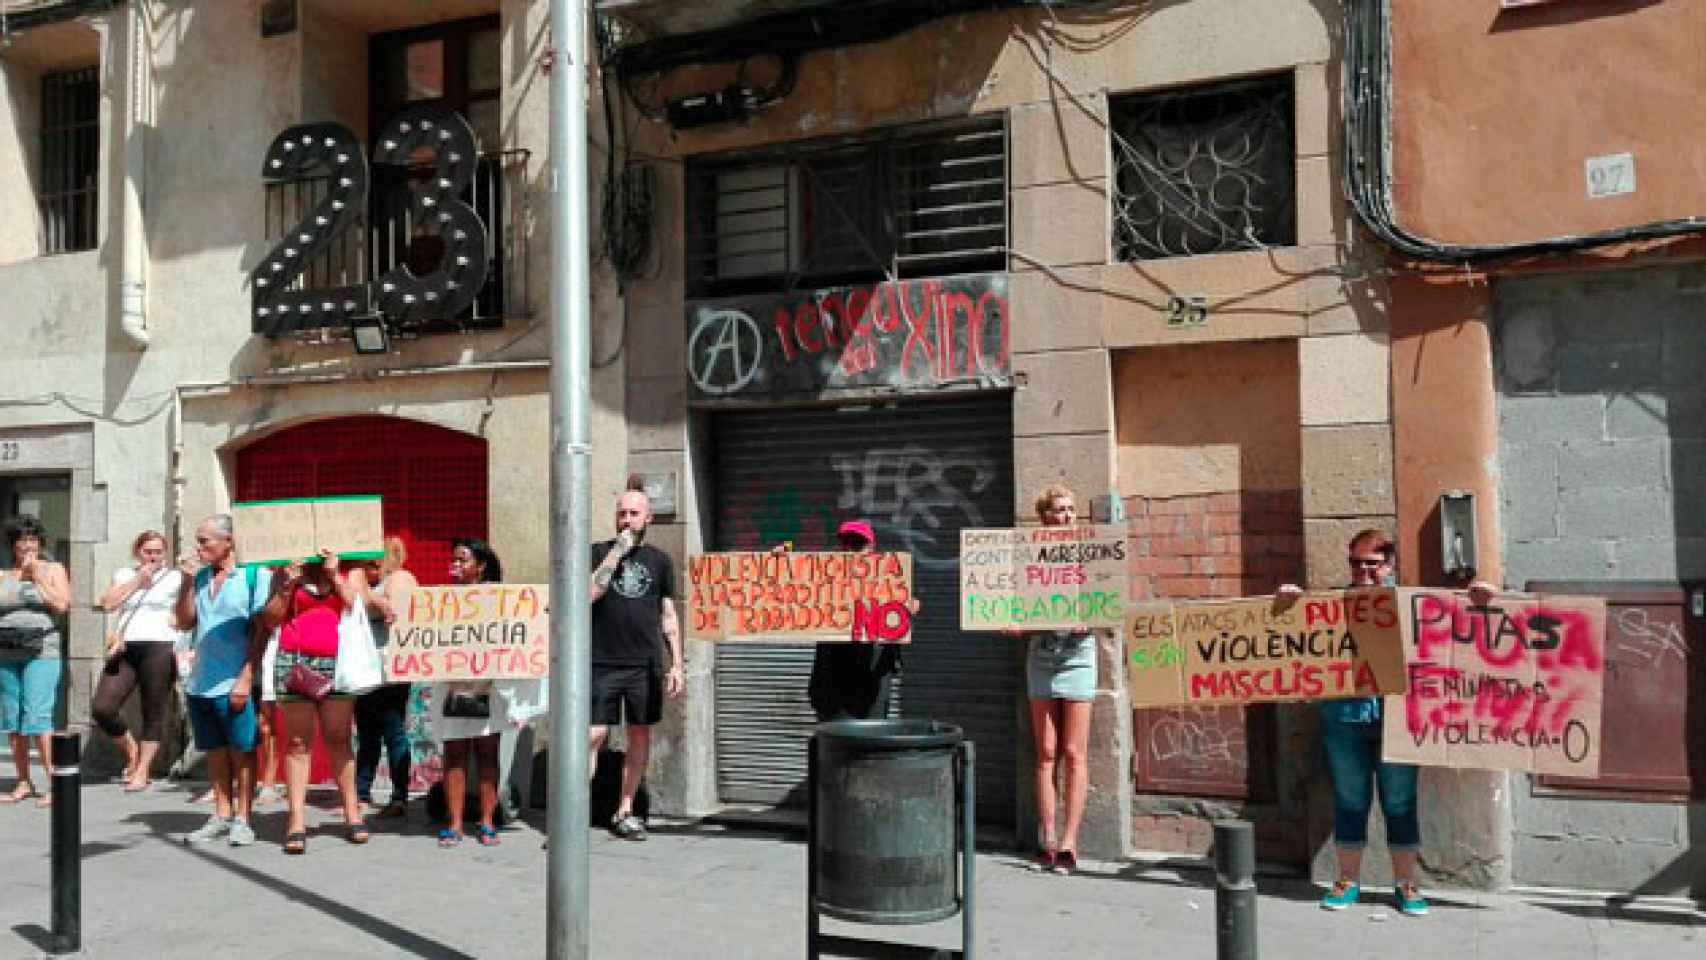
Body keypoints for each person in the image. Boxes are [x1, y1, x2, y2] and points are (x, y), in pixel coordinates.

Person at [1277, 528, 1494, 917]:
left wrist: (1478, 598)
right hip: (1344, 719)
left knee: (1399, 801)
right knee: (1350, 800)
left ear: (1389, 564)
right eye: (1356, 563)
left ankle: (1407, 885)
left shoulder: (1411, 604)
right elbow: (1294, 633)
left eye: (1372, 564)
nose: (1363, 571)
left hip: (1399, 721)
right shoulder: (1333, 606)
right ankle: (1347, 882)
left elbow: (1454, 626)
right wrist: (1287, 604)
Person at [429, 538, 545, 847]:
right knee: (454, 753)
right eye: (453, 560)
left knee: (487, 753)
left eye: (462, 560)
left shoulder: (501, 599)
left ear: (480, 566)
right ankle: (453, 824)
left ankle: (487, 821)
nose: (454, 566)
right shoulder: (439, 602)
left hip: (488, 688)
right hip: (453, 685)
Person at [589, 490, 683, 841]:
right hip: (603, 661)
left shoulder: (660, 561)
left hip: (644, 664)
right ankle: (573, 812)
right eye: (621, 513)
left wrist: (676, 664)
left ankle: (625, 809)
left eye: (633, 513)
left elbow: (668, 614)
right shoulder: (598, 553)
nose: (626, 519)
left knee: (639, 734)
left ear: (648, 519)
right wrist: (616, 553)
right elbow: (589, 594)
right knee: (593, 735)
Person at [173, 514, 271, 844]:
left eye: (205, 541)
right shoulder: (199, 578)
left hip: (235, 677)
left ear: (228, 542)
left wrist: (245, 676)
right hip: (202, 678)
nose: (198, 547)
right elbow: (185, 622)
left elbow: (261, 631)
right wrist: (186, 582)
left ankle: (244, 817)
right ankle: (221, 812)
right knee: (214, 750)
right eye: (198, 541)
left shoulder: (253, 576)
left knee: (242, 750)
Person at [260, 547, 365, 854]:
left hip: (340, 663)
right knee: (296, 742)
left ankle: (352, 812)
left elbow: (356, 607)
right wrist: (287, 586)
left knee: (339, 737)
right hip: (295, 663)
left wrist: (334, 575)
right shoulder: (283, 571)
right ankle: (296, 819)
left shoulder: (351, 569)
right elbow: (271, 619)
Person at [1016, 485, 1096, 876]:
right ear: (1044, 516)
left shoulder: (1091, 551)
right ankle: (1046, 840)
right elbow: (1010, 599)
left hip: (1079, 654)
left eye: (1070, 510)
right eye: (1057, 510)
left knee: (1074, 752)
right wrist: (1012, 622)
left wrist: (1092, 614)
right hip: (1042, 653)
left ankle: (1070, 842)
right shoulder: (1029, 554)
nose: (1064, 516)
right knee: (1045, 752)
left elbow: (1108, 595)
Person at [92, 530, 185, 792]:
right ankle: (132, 751)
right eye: (148, 552)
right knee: (103, 708)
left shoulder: (175, 578)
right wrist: (137, 581)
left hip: (160, 646)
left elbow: (187, 613)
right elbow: (107, 604)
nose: (153, 557)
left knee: (153, 711)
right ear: (137, 552)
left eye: (158, 552)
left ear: (165, 553)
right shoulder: (124, 574)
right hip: (125, 648)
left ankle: (143, 770)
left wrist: (183, 643)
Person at [0, 515, 70, 807]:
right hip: (6, 650)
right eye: (22, 540)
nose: (28, 545)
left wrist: (37, 575)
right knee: (13, 720)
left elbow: (62, 605)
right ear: (13, 545)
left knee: (38, 716)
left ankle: (55, 783)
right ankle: (23, 781)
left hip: (42, 651)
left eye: (33, 539)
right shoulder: (3, 574)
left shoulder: (52, 569)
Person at [805, 519, 905, 722]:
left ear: (871, 549)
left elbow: (898, 636)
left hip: (868, 698)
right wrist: (777, 565)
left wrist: (904, 611)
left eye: (857, 545)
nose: (850, 551)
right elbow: (787, 594)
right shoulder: (822, 581)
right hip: (830, 695)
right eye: (845, 544)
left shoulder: (890, 584)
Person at [353, 538, 418, 819]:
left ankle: (399, 795)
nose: (368, 570)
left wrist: (372, 598)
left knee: (394, 733)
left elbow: (392, 605)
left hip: (391, 670)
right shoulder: (368, 586)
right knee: (367, 735)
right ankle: (361, 792)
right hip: (366, 669)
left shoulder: (401, 579)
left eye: (372, 564)